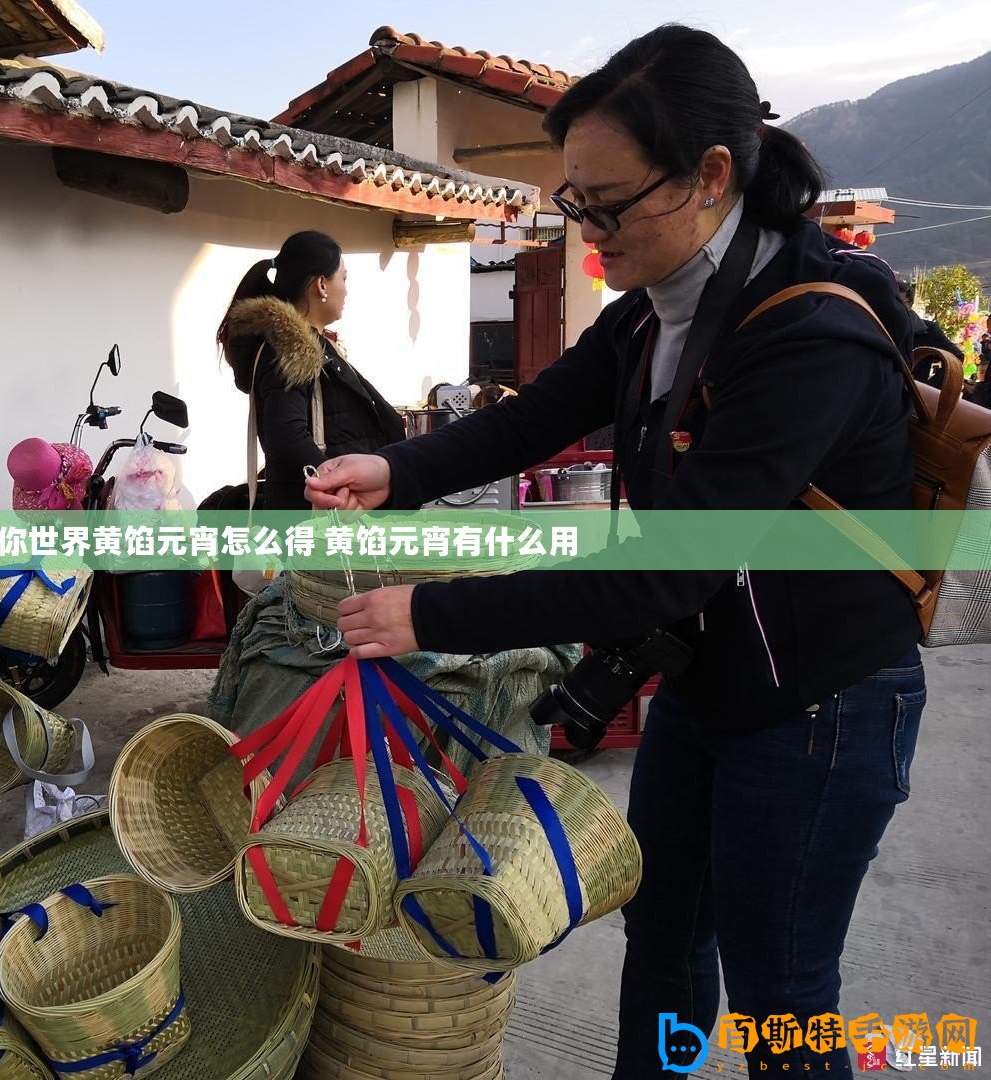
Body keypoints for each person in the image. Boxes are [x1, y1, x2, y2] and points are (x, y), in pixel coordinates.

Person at [306, 25, 925, 1078]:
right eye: (574, 203)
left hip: (822, 704)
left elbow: (670, 566)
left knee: (783, 993)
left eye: (609, 204)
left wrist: (435, 612)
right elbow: (536, 414)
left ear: (710, 176)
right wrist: (396, 472)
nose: (588, 230)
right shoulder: (657, 309)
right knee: (666, 940)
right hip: (706, 678)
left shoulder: (807, 335)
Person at [216, 230, 405, 510]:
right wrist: (341, 487)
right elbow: (287, 437)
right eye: (343, 277)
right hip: (316, 518)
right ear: (321, 285)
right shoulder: (291, 348)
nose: (347, 289)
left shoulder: (310, 346)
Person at [901, 278, 961, 387]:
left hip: (911, 397)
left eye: (900, 303)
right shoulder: (878, 325)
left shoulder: (928, 330)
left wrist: (930, 387)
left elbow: (956, 357)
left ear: (910, 304)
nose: (894, 307)